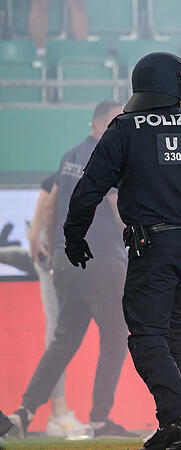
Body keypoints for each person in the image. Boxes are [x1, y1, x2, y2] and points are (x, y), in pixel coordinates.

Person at [55, 52, 181, 450]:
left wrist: (74, 234)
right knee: (172, 337)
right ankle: (175, 428)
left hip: (153, 247)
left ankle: (179, 424)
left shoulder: (125, 128)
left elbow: (90, 187)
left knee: (146, 337)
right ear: (172, 84)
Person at [7, 101, 137, 441]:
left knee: (63, 341)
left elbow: (50, 205)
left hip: (67, 261)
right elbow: (115, 205)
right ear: (99, 124)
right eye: (116, 122)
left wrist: (53, 252)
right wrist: (141, 235)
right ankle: (99, 419)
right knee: (116, 337)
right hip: (101, 262)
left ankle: (24, 411)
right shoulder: (108, 156)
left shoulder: (69, 156)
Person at [29, 172, 95, 438]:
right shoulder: (72, 176)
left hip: (59, 255)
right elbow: (46, 207)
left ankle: (56, 412)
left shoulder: (63, 176)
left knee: (59, 334)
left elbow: (45, 208)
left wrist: (36, 236)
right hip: (58, 257)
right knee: (59, 335)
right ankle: (57, 413)